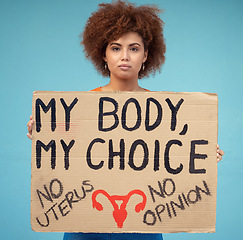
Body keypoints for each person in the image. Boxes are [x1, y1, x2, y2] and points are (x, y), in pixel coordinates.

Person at [27, 1, 225, 239]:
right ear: (103, 54)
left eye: (133, 48)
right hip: (86, 226)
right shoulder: (80, 107)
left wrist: (203, 157)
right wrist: (42, 132)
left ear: (145, 56)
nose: (124, 57)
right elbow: (63, 156)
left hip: (143, 228)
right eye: (115, 48)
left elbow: (171, 164)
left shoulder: (165, 112)